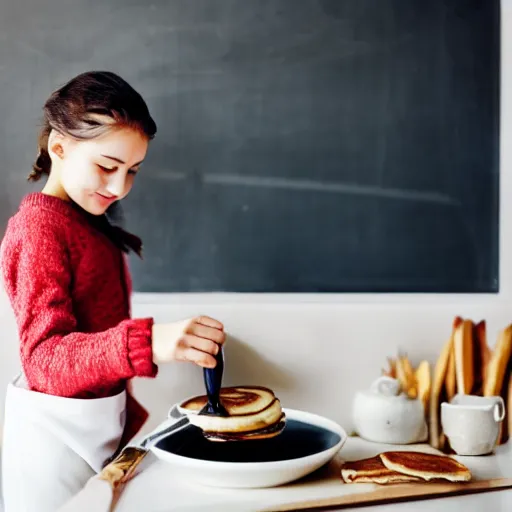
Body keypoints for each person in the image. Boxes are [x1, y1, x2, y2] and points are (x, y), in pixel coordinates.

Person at [0, 71, 226, 511]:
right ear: (59, 147)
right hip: (54, 451)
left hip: (94, 434)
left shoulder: (84, 222)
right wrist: (150, 341)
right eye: (106, 166)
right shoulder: (37, 228)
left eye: (132, 171)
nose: (119, 187)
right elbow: (44, 358)